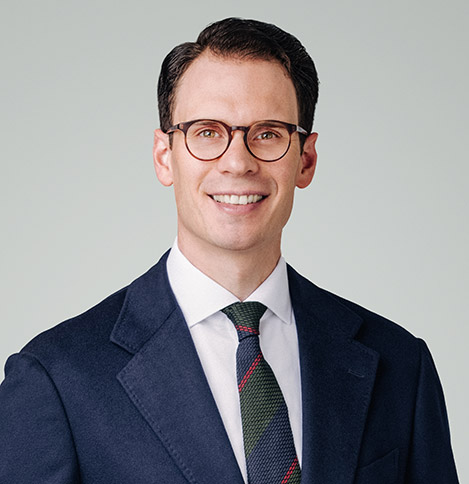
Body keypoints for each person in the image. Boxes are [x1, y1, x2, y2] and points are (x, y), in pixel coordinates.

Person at [0, 17, 459, 484]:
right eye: (207, 132)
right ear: (164, 156)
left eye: (268, 133)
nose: (238, 163)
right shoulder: (57, 379)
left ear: (305, 159)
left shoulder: (401, 364)